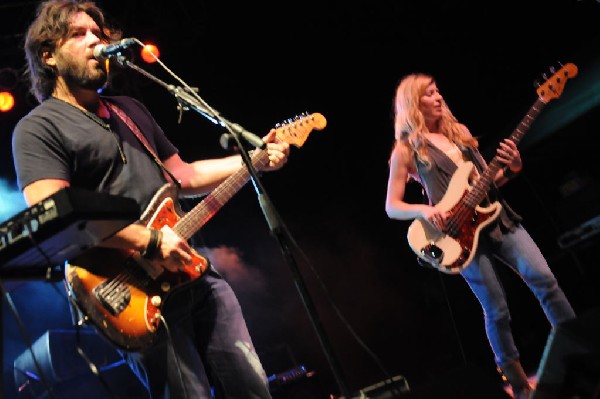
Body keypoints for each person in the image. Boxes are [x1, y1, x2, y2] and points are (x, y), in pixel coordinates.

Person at [12, 1, 290, 398]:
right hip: (127, 293)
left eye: (99, 32)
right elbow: (51, 216)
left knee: (253, 387)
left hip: (191, 273)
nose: (96, 41)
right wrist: (148, 240)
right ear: (48, 55)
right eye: (79, 34)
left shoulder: (129, 110)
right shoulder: (37, 129)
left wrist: (255, 160)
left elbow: (184, 175)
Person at [384, 73, 576, 399]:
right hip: (458, 235)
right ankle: (517, 383)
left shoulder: (461, 135)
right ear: (414, 104)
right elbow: (392, 205)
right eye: (430, 94)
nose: (439, 97)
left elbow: (487, 184)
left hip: (497, 218)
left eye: (438, 91)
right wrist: (423, 210)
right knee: (497, 309)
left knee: (544, 278)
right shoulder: (406, 150)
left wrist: (512, 167)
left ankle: (578, 344)